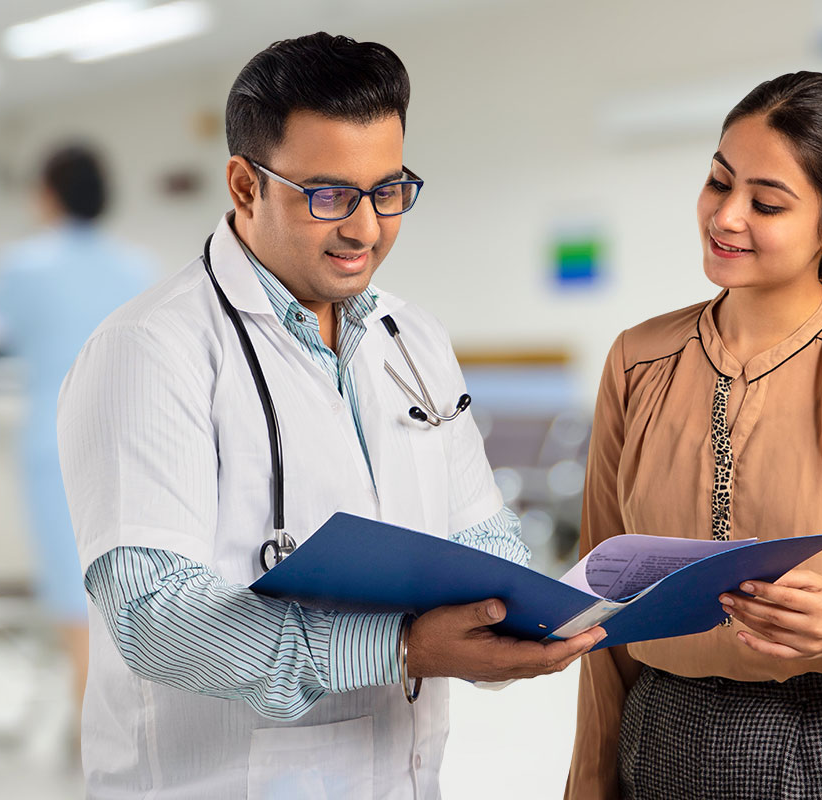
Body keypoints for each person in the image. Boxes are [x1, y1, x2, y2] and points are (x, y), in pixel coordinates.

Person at [56, 34, 604, 798]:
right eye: (329, 196)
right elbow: (153, 612)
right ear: (245, 186)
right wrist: (403, 648)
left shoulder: (411, 338)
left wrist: (519, 613)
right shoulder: (149, 349)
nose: (366, 228)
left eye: (388, 191)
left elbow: (479, 528)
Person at [566, 72, 822, 799]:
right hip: (664, 744)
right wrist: (591, 783)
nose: (725, 216)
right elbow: (598, 613)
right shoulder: (637, 359)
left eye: (766, 203)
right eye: (718, 182)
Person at [0, 142, 154, 717]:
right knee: (134, 579)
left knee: (77, 590)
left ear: (46, 194)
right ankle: (121, 718)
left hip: (58, 446)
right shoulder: (136, 267)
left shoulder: (21, 266)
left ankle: (91, 722)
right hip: (137, 440)